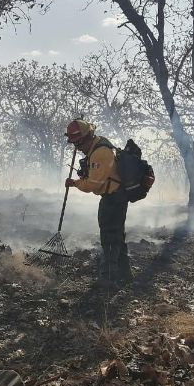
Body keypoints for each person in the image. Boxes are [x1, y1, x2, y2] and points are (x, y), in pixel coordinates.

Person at [64, 119, 132, 287]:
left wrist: (75, 183)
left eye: (77, 143)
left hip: (113, 198)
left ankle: (108, 277)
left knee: (109, 237)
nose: (77, 148)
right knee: (117, 236)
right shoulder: (96, 146)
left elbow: (93, 184)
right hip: (115, 196)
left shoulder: (100, 153)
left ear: (85, 138)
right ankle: (125, 274)